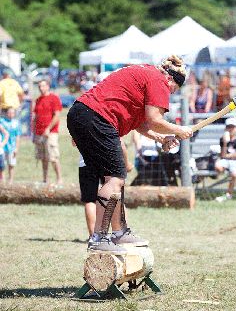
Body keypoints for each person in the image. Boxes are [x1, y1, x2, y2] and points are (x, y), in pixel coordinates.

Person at [67, 55, 193, 254]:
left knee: (114, 178)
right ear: (170, 80)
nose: (169, 94)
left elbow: (142, 123)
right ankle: (99, 237)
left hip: (83, 114)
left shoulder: (146, 75)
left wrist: (162, 139)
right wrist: (179, 130)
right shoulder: (159, 80)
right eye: (173, 90)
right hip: (96, 117)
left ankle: (119, 232)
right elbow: (154, 119)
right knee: (116, 178)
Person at [32, 80, 63, 184]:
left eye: (43, 86)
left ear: (48, 86)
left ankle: (59, 179)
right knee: (43, 158)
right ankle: (45, 179)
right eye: (39, 86)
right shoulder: (38, 100)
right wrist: (34, 132)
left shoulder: (54, 98)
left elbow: (57, 115)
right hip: (39, 132)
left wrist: (48, 128)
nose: (41, 88)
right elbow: (35, 117)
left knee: (53, 157)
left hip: (51, 132)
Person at [215, 117, 236, 202]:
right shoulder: (222, 139)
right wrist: (225, 143)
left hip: (235, 161)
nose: (230, 129)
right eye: (228, 127)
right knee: (218, 167)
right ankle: (220, 189)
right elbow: (223, 155)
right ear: (225, 128)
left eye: (232, 127)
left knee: (234, 175)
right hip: (225, 161)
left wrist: (228, 156)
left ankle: (229, 193)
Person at [0, 107, 21, 183]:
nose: (10, 115)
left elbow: (18, 136)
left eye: (12, 113)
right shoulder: (2, 121)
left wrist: (16, 148)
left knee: (11, 164)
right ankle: (3, 180)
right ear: (6, 113)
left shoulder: (16, 123)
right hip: (2, 148)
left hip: (12, 147)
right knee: (2, 165)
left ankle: (10, 180)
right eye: (9, 113)